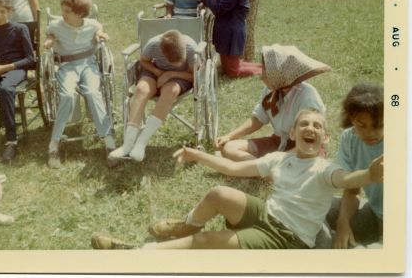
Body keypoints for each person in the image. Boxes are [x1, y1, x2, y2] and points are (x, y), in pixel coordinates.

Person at [91, 109, 383, 250]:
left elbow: (347, 180)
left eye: (317, 126)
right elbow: (232, 170)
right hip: (266, 216)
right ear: (292, 134)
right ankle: (183, 228)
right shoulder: (280, 159)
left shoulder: (325, 168)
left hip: (286, 238)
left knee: (206, 241)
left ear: (324, 138)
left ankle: (136, 253)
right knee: (219, 192)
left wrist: (369, 174)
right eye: (304, 124)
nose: (310, 128)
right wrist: (199, 155)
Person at [216, 44, 330, 161]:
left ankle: (263, 168)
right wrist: (229, 137)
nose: (261, 76)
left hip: (304, 148)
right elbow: (257, 120)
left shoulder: (307, 97)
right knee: (229, 148)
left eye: (266, 70)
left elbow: (313, 141)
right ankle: (263, 169)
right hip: (278, 142)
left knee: (290, 164)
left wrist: (277, 158)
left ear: (280, 74)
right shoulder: (271, 90)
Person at [44, 0, 115, 169]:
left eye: (68, 12)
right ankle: (54, 144)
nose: (63, 15)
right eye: (63, 10)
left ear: (80, 13)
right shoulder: (56, 25)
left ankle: (109, 142)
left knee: (93, 93)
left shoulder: (91, 25)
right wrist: (50, 40)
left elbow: (98, 28)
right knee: (67, 95)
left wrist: (100, 34)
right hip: (67, 66)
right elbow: (50, 34)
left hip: (88, 65)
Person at [109, 29, 197, 163]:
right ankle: (127, 145)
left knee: (170, 91)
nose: (177, 63)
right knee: (141, 88)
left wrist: (170, 74)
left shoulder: (190, 48)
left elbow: (194, 76)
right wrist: (158, 72)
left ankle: (141, 144)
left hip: (181, 76)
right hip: (156, 71)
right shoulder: (153, 45)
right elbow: (144, 61)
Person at [325, 83, 384, 248]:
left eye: (378, 125)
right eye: (361, 125)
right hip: (373, 213)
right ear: (351, 119)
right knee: (316, 202)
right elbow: (352, 190)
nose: (370, 133)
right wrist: (343, 222)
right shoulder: (350, 138)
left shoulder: (400, 139)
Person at [201, 0, 262, 78]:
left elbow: (218, 10)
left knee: (232, 71)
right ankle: (263, 67)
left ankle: (264, 70)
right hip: (229, 31)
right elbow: (222, 3)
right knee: (230, 67)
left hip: (231, 33)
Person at [0, 0, 35, 162]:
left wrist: (6, 67)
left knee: (5, 89)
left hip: (17, 69)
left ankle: (11, 141)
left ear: (9, 12)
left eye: (2, 11)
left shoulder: (20, 29)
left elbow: (31, 59)